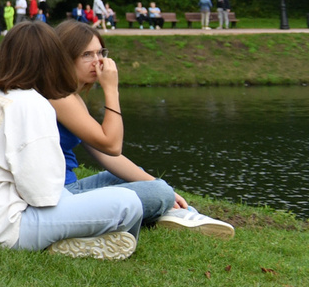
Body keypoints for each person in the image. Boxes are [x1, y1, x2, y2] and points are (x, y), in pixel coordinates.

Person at [0, 20, 147, 258]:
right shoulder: (32, 103)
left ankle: (77, 239)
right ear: (52, 60)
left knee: (87, 199)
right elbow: (42, 194)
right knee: (129, 202)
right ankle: (70, 240)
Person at [47, 20, 231, 235]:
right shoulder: (58, 96)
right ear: (64, 58)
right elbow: (112, 145)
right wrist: (111, 90)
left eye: (100, 53)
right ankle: (170, 212)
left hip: (70, 190)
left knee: (140, 178)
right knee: (157, 192)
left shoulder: (72, 97)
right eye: (87, 55)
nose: (97, 62)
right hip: (63, 196)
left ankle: (179, 212)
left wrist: (160, 186)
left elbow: (108, 156)